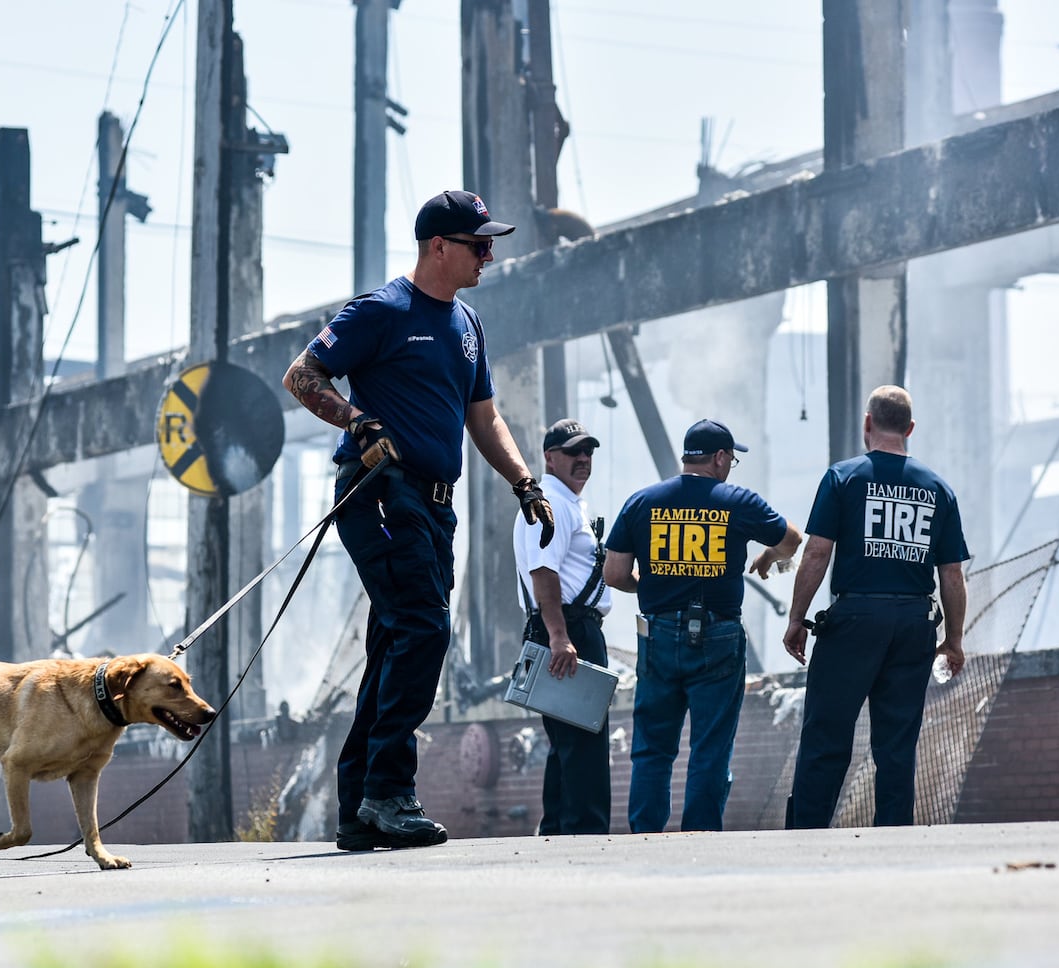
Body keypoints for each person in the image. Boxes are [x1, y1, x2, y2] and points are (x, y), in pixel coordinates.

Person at [282, 189, 555, 851]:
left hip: (434, 507)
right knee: (423, 631)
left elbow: (482, 416)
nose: (488, 255)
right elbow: (302, 374)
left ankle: (359, 806)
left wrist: (524, 482)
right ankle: (388, 793)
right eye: (478, 244)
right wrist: (356, 420)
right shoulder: (383, 310)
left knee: (395, 643)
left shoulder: (468, 325)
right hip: (380, 495)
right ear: (439, 245)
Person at [783, 385, 969, 828]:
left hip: (854, 621)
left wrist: (796, 618)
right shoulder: (938, 488)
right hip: (914, 625)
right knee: (897, 744)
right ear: (910, 428)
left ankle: (804, 836)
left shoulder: (843, 477)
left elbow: (815, 553)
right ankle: (894, 839)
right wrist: (954, 640)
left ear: (867, 423)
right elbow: (952, 574)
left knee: (827, 736)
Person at [604, 419, 801, 833]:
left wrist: (657, 586)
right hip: (719, 636)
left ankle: (645, 835)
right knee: (711, 747)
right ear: (720, 458)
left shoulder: (642, 502)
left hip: (657, 635)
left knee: (653, 748)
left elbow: (615, 573)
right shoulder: (737, 501)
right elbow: (792, 541)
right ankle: (701, 835)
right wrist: (767, 556)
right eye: (731, 459)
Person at [513, 418, 614, 836]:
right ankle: (583, 834)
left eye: (588, 451)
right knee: (583, 745)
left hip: (570, 629)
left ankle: (560, 829)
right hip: (568, 630)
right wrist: (559, 637)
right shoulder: (549, 504)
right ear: (549, 458)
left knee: (569, 745)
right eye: (574, 452)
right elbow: (543, 575)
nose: (583, 459)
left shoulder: (567, 503)